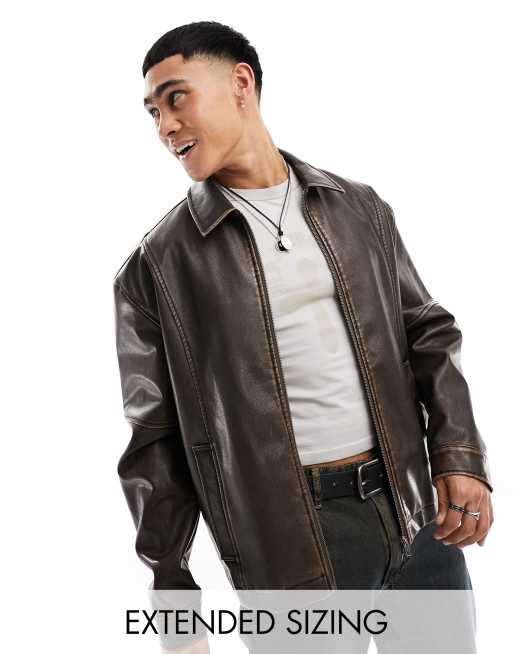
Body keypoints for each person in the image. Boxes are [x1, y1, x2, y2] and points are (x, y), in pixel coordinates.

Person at [112, 21, 494, 653]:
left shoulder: (358, 208)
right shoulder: (157, 268)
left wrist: (458, 456)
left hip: (416, 516)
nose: (165, 126)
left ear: (240, 83)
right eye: (153, 112)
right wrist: (175, 606)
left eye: (176, 98)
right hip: (292, 551)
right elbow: (154, 441)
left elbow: (427, 331)